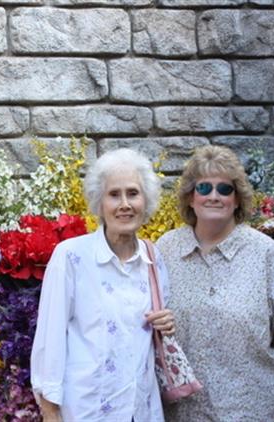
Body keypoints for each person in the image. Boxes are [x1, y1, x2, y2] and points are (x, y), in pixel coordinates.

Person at [156, 145, 274, 422]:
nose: (214, 196)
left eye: (225, 189)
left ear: (237, 200)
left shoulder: (267, 254)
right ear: (190, 197)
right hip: (182, 413)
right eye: (204, 188)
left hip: (249, 410)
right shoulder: (166, 250)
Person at [31, 148, 176, 422]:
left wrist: (166, 323)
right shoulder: (71, 256)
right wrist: (50, 412)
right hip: (87, 411)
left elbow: (151, 334)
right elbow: (49, 341)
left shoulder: (153, 258)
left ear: (146, 200)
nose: (125, 204)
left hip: (141, 410)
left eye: (133, 193)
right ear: (99, 203)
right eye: (114, 194)